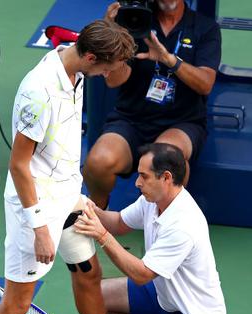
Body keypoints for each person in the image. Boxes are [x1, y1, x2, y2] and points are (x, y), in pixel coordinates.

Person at [0, 20, 136, 314]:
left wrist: (76, 196)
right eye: (107, 68)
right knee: (16, 305)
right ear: (90, 56)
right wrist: (39, 227)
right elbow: (19, 165)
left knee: (87, 272)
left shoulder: (74, 68)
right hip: (32, 209)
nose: (109, 76)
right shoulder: (39, 90)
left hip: (66, 199)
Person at [75, 143, 245, 314]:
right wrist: (88, 208)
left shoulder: (183, 225)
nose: (137, 183)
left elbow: (142, 274)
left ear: (166, 178)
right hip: (164, 295)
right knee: (95, 297)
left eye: (143, 176)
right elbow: (119, 222)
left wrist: (101, 235)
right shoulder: (152, 201)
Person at [82, 0, 221, 209]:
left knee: (168, 158)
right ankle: (97, 220)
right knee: (98, 162)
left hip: (181, 122)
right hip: (131, 119)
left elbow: (205, 84)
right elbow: (114, 80)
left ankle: (163, 227)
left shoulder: (205, 27)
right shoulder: (134, 21)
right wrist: (112, 36)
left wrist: (170, 60)